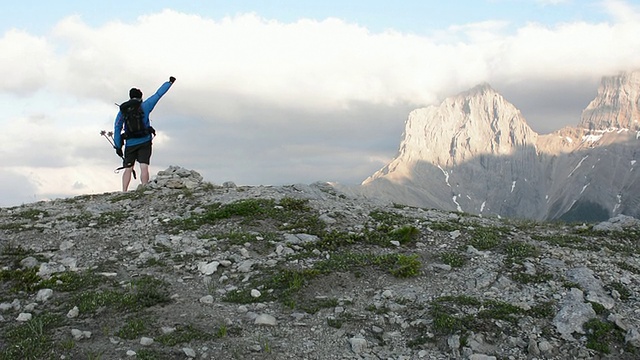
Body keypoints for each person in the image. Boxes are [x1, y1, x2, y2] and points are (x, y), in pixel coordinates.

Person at [114, 76, 175, 191]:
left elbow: (117, 127)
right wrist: (169, 83)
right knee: (144, 166)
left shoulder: (123, 110)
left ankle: (124, 191)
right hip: (145, 140)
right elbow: (158, 95)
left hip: (130, 143)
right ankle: (145, 189)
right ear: (140, 97)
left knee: (128, 168)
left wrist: (118, 146)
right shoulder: (145, 105)